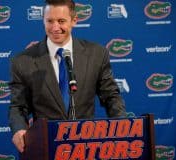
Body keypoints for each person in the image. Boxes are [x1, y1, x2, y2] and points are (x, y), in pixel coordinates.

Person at [8, 0, 126, 153]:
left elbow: (111, 96)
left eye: (61, 21)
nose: (55, 28)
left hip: (86, 146)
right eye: (49, 21)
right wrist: (19, 129)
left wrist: (124, 126)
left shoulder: (96, 54)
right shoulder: (23, 61)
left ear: (74, 21)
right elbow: (18, 106)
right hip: (46, 147)